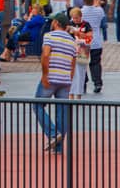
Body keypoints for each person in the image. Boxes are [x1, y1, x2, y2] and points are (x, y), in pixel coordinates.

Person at [34, 12, 77, 154]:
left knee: (37, 105)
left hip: (51, 76)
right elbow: (73, 63)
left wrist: (45, 74)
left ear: (56, 23)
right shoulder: (72, 41)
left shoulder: (49, 36)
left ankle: (52, 133)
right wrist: (69, 80)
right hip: (65, 79)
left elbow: (46, 54)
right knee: (62, 110)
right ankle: (58, 147)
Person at [80, 0, 106, 93]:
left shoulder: (80, 11)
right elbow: (103, 24)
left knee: (82, 62)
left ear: (84, 1)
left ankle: (83, 83)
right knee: (95, 63)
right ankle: (97, 82)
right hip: (96, 40)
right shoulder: (99, 10)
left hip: (83, 41)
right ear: (93, 0)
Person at [67, 8, 92, 100]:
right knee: (71, 73)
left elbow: (89, 37)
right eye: (73, 18)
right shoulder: (69, 25)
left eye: (76, 18)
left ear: (81, 16)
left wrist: (78, 33)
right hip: (71, 49)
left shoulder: (86, 24)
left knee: (81, 73)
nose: (75, 20)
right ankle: (71, 94)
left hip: (83, 50)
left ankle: (79, 94)